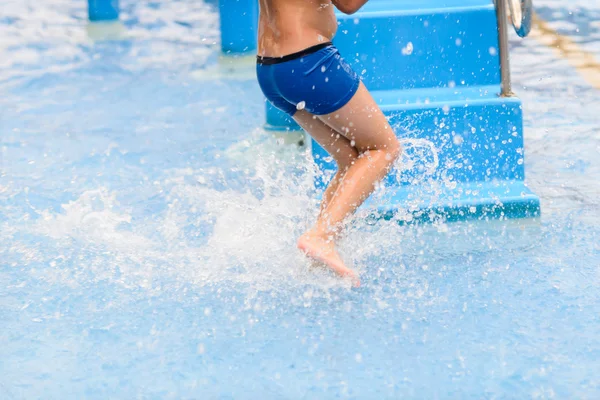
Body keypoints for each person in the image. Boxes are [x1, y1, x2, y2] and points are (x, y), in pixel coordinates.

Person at [256, 0, 401, 286]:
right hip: (308, 62)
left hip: (270, 69)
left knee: (351, 159)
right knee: (383, 149)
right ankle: (321, 236)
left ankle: (324, 243)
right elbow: (347, 4)